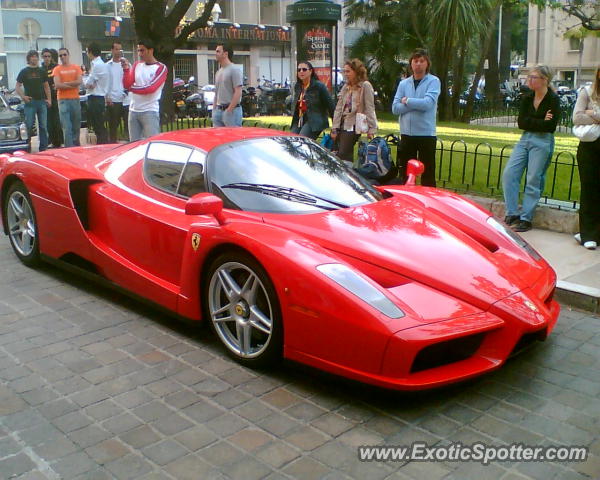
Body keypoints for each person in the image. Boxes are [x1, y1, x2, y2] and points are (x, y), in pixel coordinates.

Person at [502, 65, 560, 233]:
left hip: (542, 141)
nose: (530, 80)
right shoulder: (527, 98)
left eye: (534, 77)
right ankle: (512, 213)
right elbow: (522, 122)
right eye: (530, 77)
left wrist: (535, 120)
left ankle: (526, 218)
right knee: (510, 174)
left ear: (545, 80)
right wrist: (540, 119)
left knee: (534, 178)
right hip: (526, 137)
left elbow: (550, 126)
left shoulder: (553, 99)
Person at [392, 48, 441, 186]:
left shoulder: (433, 81)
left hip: (426, 133)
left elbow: (427, 103)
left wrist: (407, 101)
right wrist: (415, 104)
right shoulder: (404, 83)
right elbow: (395, 108)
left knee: (428, 172)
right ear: (411, 63)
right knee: (406, 173)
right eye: (415, 61)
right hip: (407, 133)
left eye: (421, 61)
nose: (418, 64)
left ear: (427, 63)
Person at [572, 66, 600, 249]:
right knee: (589, 189)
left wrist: (593, 114)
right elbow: (576, 117)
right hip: (590, 147)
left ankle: (595, 232)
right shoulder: (587, 92)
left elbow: (585, 115)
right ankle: (587, 234)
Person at [331, 59, 377, 165]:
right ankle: (348, 174)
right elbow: (339, 108)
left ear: (356, 71)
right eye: (345, 71)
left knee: (342, 153)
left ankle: (347, 173)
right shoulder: (345, 87)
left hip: (354, 124)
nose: (346, 74)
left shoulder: (365, 85)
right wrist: (334, 127)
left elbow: (370, 107)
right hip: (343, 123)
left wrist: (372, 128)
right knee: (340, 153)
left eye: (348, 71)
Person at [121, 39, 167, 141]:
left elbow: (150, 88)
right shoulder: (137, 65)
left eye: (142, 51)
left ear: (150, 51)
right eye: (138, 51)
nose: (140, 54)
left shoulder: (160, 68)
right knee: (134, 145)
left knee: (152, 144)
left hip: (149, 110)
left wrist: (131, 88)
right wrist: (126, 70)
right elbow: (127, 84)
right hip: (133, 110)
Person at [15, 50, 51, 152]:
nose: (34, 58)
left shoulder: (42, 71)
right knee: (29, 126)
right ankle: (27, 147)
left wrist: (49, 99)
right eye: (32, 57)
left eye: (36, 56)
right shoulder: (24, 71)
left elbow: (46, 86)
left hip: (41, 102)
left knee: (43, 126)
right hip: (30, 103)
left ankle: (43, 148)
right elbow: (17, 86)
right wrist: (23, 97)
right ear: (28, 59)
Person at [290, 61, 334, 140]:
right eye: (299, 70)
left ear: (310, 71)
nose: (301, 72)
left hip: (315, 120)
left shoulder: (319, 86)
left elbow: (330, 105)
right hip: (300, 119)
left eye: (304, 69)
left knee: (302, 140)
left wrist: (335, 127)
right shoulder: (298, 86)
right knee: (292, 140)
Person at [53, 48, 82, 147]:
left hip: (75, 99)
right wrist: (72, 85)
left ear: (68, 55)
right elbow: (57, 85)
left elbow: (79, 82)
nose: (63, 57)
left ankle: (76, 147)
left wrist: (64, 84)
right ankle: (69, 148)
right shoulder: (57, 69)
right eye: (60, 55)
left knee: (76, 125)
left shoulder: (76, 67)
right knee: (67, 127)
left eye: (64, 54)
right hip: (63, 100)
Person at [212, 44, 243, 127]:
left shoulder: (234, 70)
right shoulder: (218, 72)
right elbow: (216, 93)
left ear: (225, 54)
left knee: (233, 138)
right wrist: (214, 109)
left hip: (232, 112)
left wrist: (229, 110)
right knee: (219, 139)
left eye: (218, 51)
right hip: (218, 111)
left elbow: (238, 91)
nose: (216, 53)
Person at [85, 43, 109, 144]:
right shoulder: (97, 64)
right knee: (97, 124)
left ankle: (102, 144)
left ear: (90, 52)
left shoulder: (97, 65)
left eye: (87, 52)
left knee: (98, 124)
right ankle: (102, 142)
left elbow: (88, 83)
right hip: (95, 97)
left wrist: (88, 83)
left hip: (96, 97)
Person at [106, 42, 128, 143]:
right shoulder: (107, 66)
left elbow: (130, 80)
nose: (118, 51)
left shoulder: (126, 65)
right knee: (113, 126)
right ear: (112, 50)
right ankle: (112, 144)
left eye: (120, 49)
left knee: (128, 126)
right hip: (113, 99)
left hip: (126, 99)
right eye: (116, 49)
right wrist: (107, 97)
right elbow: (105, 83)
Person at [42, 48, 63, 147]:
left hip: (56, 96)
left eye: (49, 56)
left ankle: (60, 141)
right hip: (45, 98)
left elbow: (60, 80)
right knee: (48, 122)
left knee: (57, 120)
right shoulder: (40, 69)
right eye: (45, 56)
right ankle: (52, 141)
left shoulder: (56, 67)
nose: (47, 58)